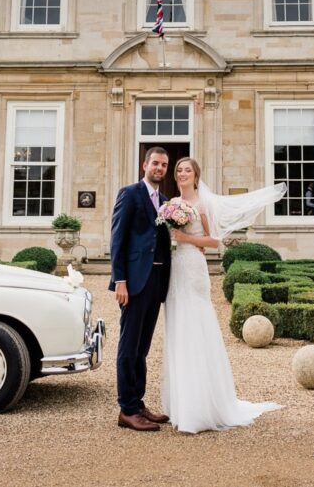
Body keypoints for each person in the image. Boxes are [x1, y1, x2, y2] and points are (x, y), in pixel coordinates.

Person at [162, 156, 285, 434]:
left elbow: (214, 240)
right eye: (179, 170)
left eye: (187, 170)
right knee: (178, 328)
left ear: (196, 176)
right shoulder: (171, 204)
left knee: (195, 326)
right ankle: (181, 404)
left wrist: (186, 239)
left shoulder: (202, 204)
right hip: (175, 269)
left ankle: (202, 407)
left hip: (192, 268)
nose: (182, 174)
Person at [108, 147, 171, 431]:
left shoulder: (168, 201)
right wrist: (120, 280)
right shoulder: (130, 193)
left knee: (143, 347)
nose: (159, 168)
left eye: (164, 164)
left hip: (157, 280)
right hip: (134, 281)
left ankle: (139, 402)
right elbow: (117, 238)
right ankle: (127, 410)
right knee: (128, 345)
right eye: (155, 163)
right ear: (144, 165)